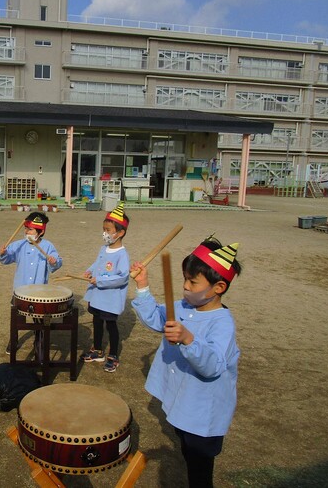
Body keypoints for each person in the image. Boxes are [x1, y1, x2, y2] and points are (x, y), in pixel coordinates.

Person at [130, 236, 242, 488]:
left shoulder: (221, 323)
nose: (185, 287)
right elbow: (156, 319)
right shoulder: (183, 306)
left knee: (199, 467)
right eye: (184, 279)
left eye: (193, 281)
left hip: (203, 412)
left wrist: (188, 338)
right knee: (185, 446)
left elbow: (213, 365)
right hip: (184, 400)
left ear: (218, 288)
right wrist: (143, 286)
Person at [0, 212, 62, 356]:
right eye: (26, 229)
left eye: (30, 229)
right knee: (17, 319)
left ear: (41, 231)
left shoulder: (48, 246)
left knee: (40, 321)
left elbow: (57, 262)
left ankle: (39, 343)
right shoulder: (19, 245)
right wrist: (2, 253)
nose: (27, 232)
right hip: (20, 290)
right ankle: (13, 340)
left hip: (39, 292)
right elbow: (7, 258)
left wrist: (54, 262)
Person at [80, 202, 130, 373]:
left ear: (120, 232)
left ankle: (113, 355)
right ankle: (98, 350)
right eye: (104, 229)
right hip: (97, 296)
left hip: (110, 299)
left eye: (108, 230)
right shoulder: (104, 248)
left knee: (111, 325)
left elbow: (122, 277)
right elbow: (98, 264)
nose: (105, 233)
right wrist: (89, 271)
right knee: (96, 321)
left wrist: (100, 280)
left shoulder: (122, 254)